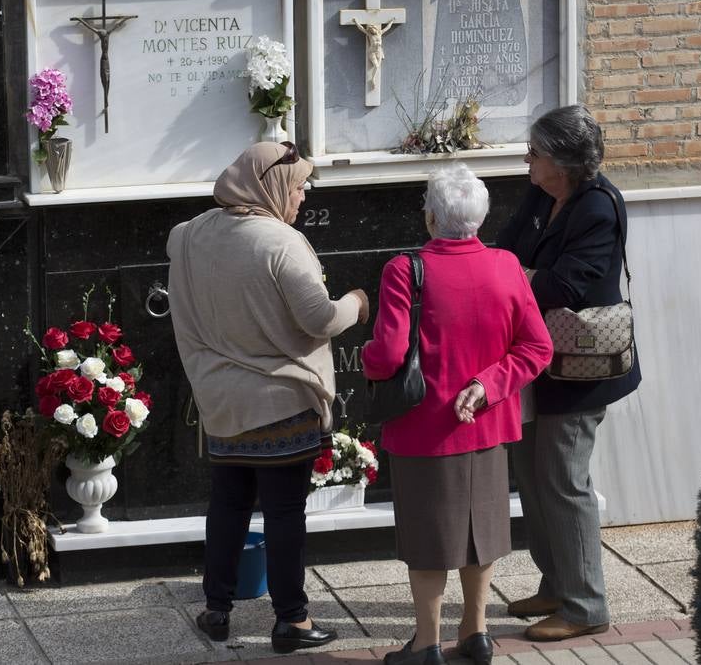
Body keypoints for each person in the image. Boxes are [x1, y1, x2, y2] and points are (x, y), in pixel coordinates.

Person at [167, 141, 369, 655]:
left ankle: (216, 611)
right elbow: (320, 319)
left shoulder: (186, 236)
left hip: (221, 404)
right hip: (281, 401)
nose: (302, 197)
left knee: (228, 506)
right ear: (271, 184)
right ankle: (292, 622)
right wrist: (357, 304)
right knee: (283, 514)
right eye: (299, 185)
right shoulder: (280, 242)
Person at [362, 163, 553, 665]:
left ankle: (427, 644)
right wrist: (487, 385)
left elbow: (385, 356)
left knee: (429, 540)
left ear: (430, 217)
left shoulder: (404, 269)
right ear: (481, 217)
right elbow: (537, 347)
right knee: (480, 533)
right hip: (487, 422)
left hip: (426, 428)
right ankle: (476, 632)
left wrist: (363, 353)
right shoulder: (507, 266)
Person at [496, 104, 641, 642]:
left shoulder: (598, 208)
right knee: (532, 475)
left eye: (534, 152)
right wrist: (515, 274)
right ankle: (557, 582)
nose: (526, 160)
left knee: (564, 480)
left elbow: (566, 286)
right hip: (535, 356)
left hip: (581, 369)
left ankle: (586, 606)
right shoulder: (541, 193)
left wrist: (511, 278)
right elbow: (508, 250)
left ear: (561, 161)